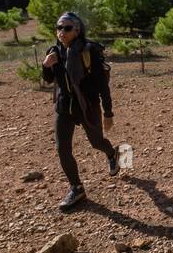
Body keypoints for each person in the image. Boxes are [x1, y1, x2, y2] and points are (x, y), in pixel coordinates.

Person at [42, 12, 119, 210]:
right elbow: (50, 80)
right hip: (64, 107)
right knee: (62, 148)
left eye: (67, 28)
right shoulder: (54, 51)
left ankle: (112, 154)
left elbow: (102, 84)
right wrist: (46, 66)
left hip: (87, 106)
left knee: (96, 142)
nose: (62, 32)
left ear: (77, 30)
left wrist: (108, 112)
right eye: (59, 28)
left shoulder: (89, 50)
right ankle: (77, 189)